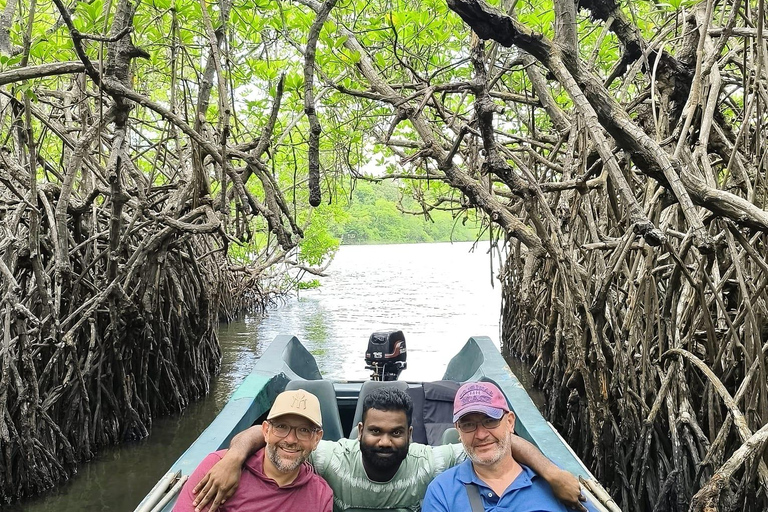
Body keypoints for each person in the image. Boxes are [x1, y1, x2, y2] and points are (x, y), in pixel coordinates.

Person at [190, 387, 587, 512]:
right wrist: (233, 457)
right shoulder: (328, 458)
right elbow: (276, 437)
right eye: (375, 431)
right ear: (359, 430)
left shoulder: (431, 463)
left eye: (396, 433)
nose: (384, 441)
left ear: (412, 434)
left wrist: (551, 473)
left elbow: (495, 443)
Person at [422, 382, 595, 512]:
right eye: (468, 425)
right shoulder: (442, 492)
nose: (481, 435)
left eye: (490, 421)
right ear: (458, 431)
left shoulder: (556, 483)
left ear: (510, 422)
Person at [173, 389, 332, 512]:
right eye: (281, 427)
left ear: (316, 439)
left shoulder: (320, 496)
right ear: (266, 430)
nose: (290, 440)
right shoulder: (220, 468)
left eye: (303, 430)